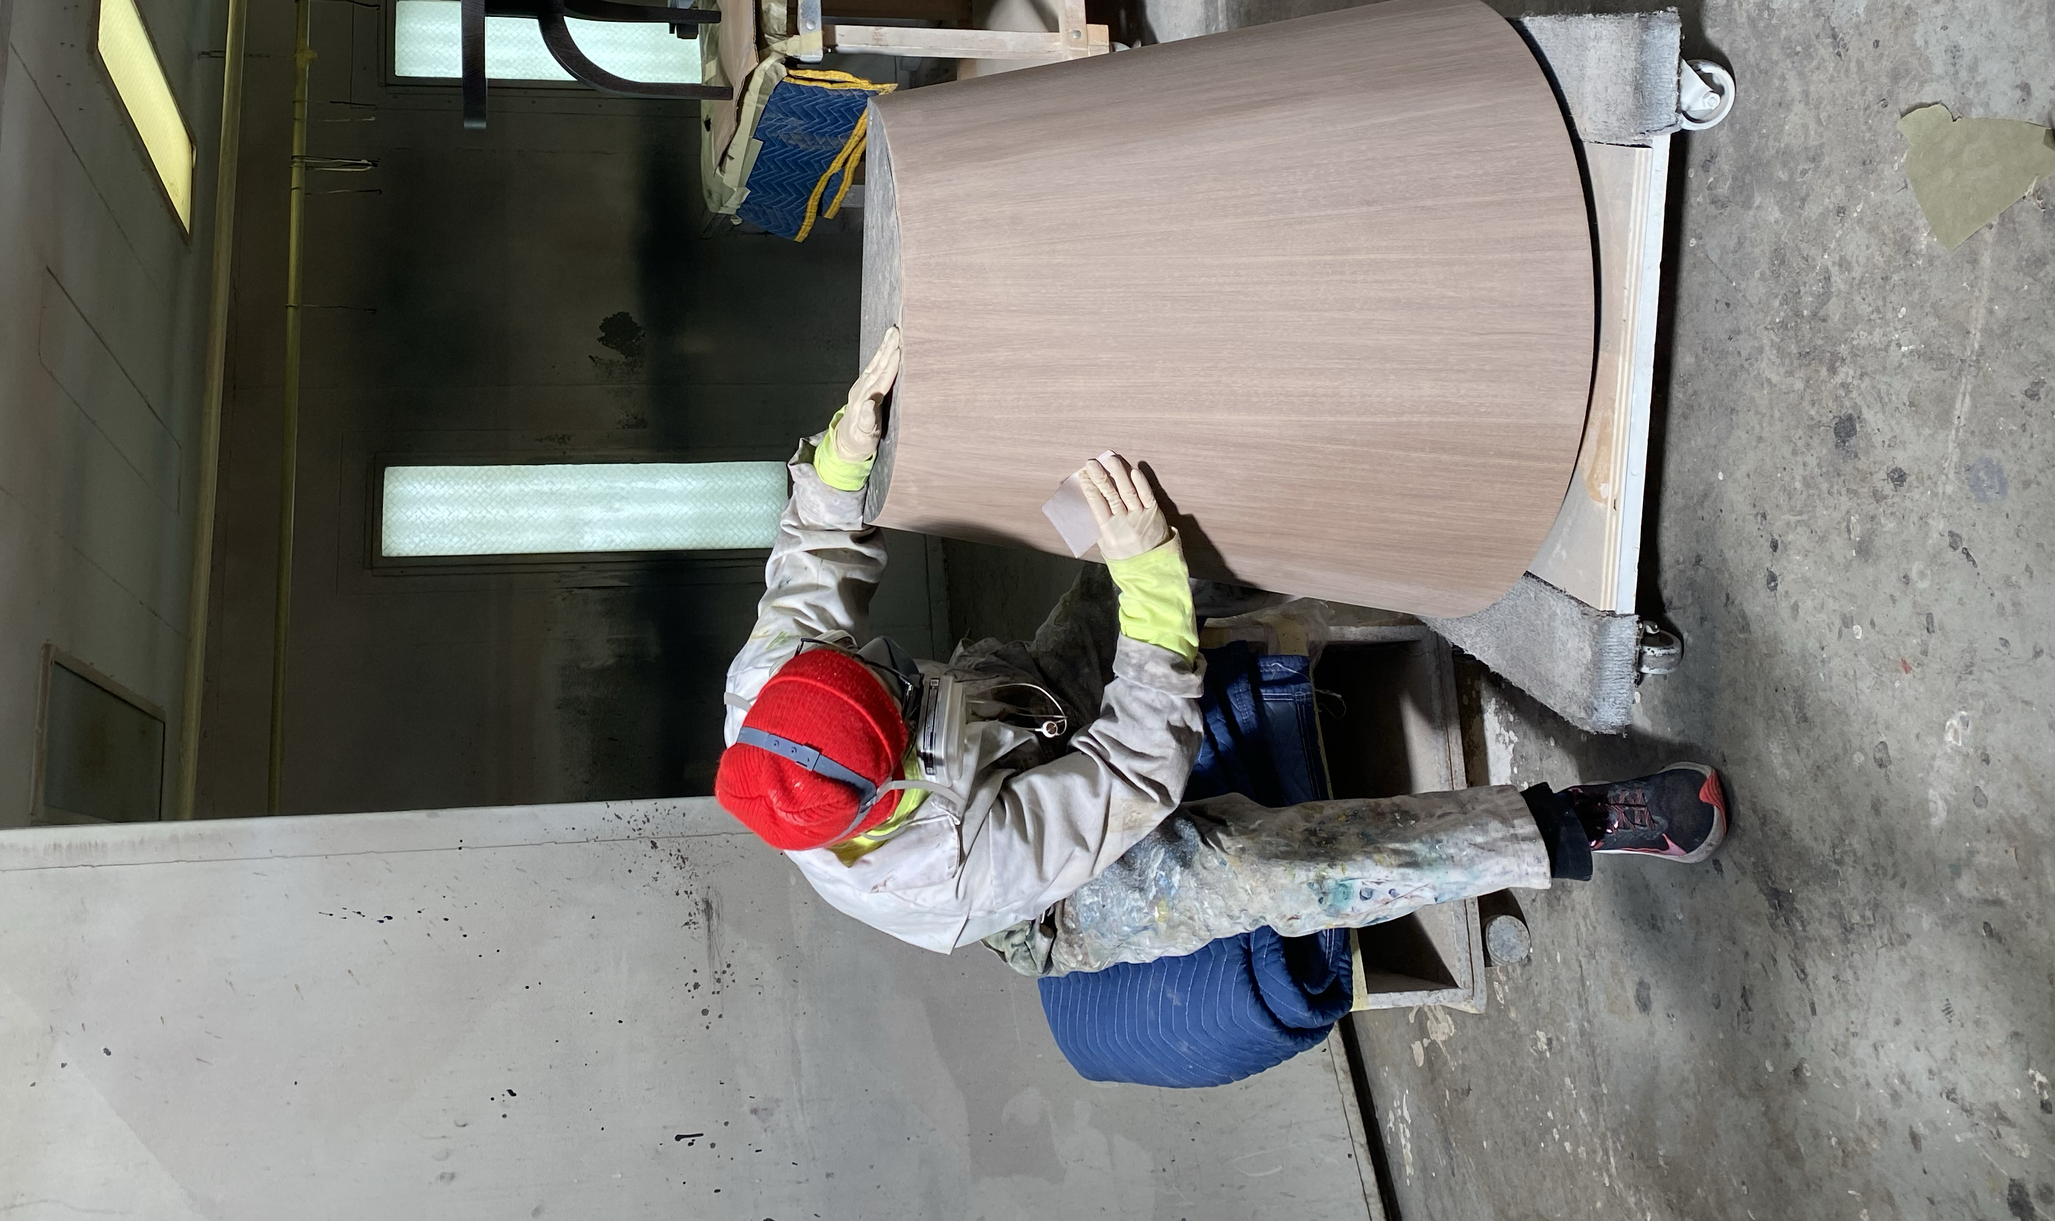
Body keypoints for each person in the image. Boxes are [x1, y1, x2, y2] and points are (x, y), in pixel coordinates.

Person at [717, 330, 1729, 978]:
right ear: (885, 783)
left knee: (1140, 562)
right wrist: (1147, 581)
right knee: (1275, 870)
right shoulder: (949, 870)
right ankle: (1579, 828)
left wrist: (844, 456)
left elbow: (807, 570)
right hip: (1070, 885)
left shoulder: (772, 694)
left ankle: (1447, 530)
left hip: (999, 721)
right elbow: (1135, 767)